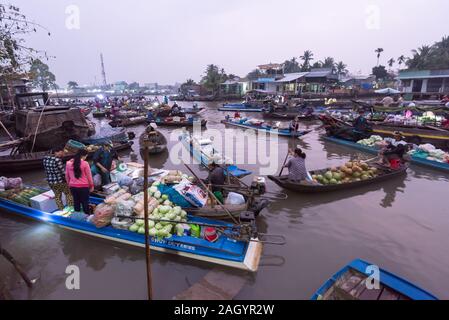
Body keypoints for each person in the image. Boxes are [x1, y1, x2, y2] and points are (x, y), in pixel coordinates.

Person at [42, 146, 74, 211]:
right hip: (60, 181)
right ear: (56, 152)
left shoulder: (45, 158)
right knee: (68, 194)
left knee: (57, 196)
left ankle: (61, 210)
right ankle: (70, 209)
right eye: (61, 152)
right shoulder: (57, 160)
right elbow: (63, 172)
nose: (62, 154)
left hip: (51, 182)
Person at [65, 149, 94, 214]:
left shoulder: (68, 163)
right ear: (83, 156)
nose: (86, 158)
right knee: (85, 202)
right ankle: (86, 216)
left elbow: (67, 176)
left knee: (76, 202)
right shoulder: (85, 163)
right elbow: (89, 176)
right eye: (86, 156)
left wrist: (69, 184)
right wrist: (91, 186)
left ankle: (77, 216)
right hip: (84, 187)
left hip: (73, 187)